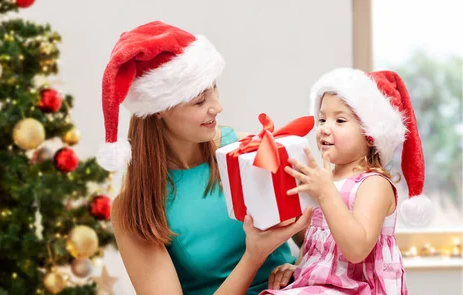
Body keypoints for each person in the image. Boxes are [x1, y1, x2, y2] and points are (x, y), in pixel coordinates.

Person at [96, 21, 312, 295]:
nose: (217, 107)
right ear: (160, 109)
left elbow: (318, 240)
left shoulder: (247, 153)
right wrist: (253, 256)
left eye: (214, 88)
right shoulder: (136, 206)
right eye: (199, 101)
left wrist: (302, 266)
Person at [262, 68, 433, 294]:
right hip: (323, 286)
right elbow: (316, 243)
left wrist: (325, 194)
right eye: (322, 119)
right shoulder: (325, 180)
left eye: (340, 120)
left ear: (370, 134)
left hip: (359, 287)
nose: (324, 128)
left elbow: (357, 249)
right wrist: (298, 267)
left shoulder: (374, 184)